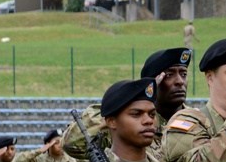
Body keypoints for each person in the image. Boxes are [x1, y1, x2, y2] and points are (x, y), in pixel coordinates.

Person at [63, 47, 191, 156]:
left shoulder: (198, 122)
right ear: (152, 83)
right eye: (169, 75)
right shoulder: (131, 122)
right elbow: (72, 143)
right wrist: (133, 100)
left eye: (183, 74)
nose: (180, 81)